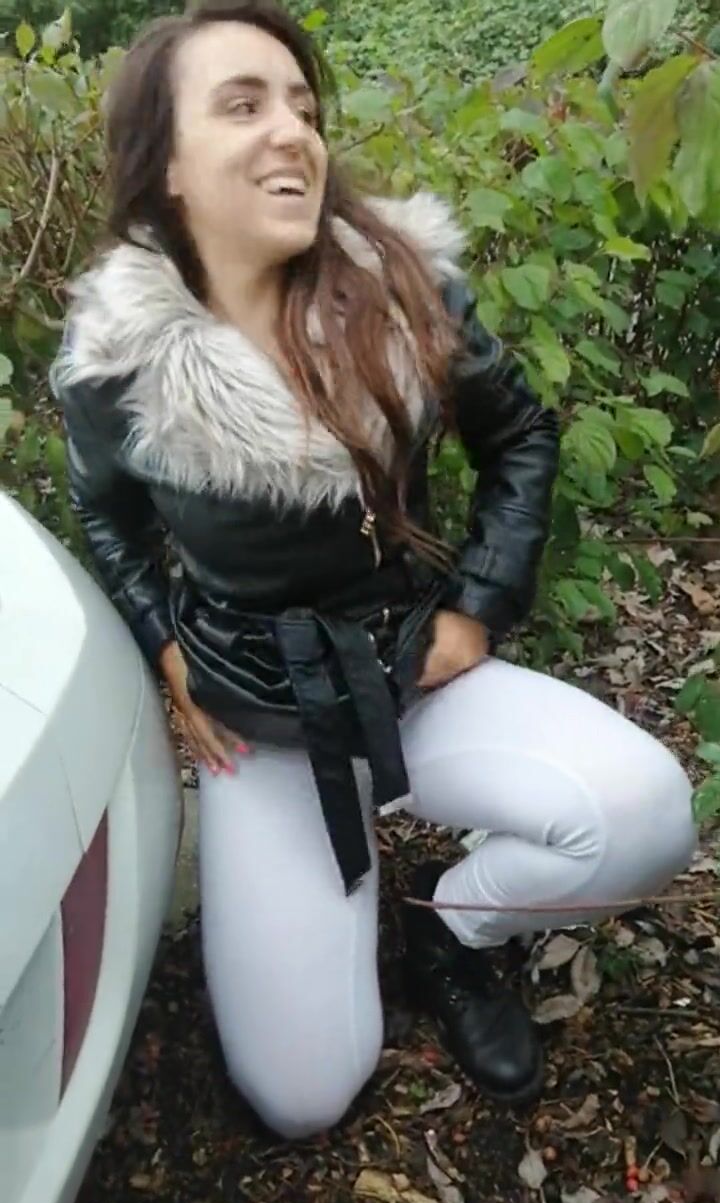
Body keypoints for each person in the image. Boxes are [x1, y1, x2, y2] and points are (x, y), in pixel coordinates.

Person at [51, 0, 696, 1140]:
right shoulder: (119, 361)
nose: (292, 131)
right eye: (242, 105)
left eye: (303, 106)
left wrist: (479, 607)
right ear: (168, 170)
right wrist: (163, 645)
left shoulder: (397, 288)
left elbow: (520, 433)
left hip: (410, 668)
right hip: (266, 713)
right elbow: (106, 520)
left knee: (642, 816)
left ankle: (449, 929)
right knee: (303, 1095)